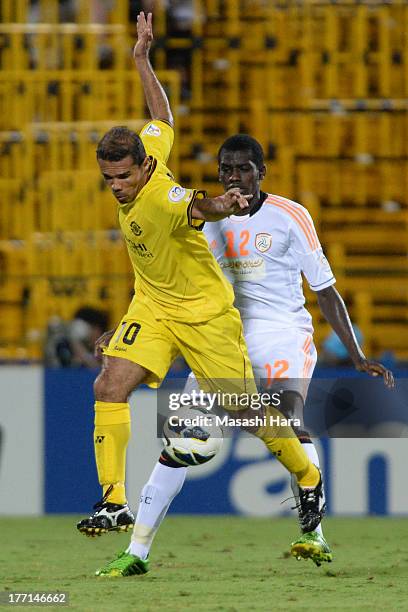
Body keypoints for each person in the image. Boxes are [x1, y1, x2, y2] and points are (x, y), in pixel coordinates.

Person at [77, 13, 326, 576]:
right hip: (155, 305)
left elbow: (200, 207)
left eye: (122, 178)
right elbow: (161, 115)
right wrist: (142, 60)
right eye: (107, 180)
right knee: (109, 383)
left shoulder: (163, 195)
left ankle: (308, 478)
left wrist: (226, 203)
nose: (116, 188)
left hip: (206, 315)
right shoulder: (152, 147)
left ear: (144, 168)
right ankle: (113, 500)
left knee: (250, 411)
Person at [107, 131, 395, 575]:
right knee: (180, 440)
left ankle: (312, 533)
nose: (234, 177)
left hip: (283, 333)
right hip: (219, 336)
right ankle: (136, 552)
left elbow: (325, 290)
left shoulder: (291, 216)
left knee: (286, 420)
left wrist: (355, 353)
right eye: (226, 170)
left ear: (262, 172)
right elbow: (160, 275)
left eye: (243, 169)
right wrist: (127, 325)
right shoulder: (204, 216)